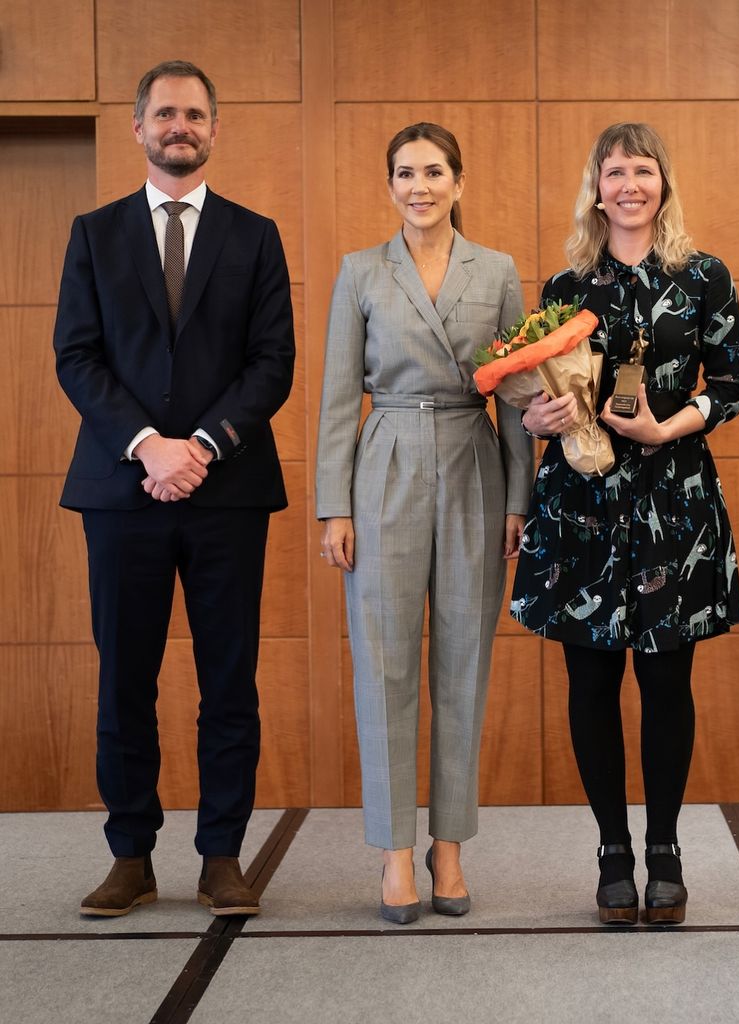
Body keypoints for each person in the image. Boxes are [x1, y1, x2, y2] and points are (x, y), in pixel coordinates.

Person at [54, 61, 295, 917]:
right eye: (165, 113)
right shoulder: (94, 232)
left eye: (195, 113)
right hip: (121, 493)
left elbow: (274, 363)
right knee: (126, 680)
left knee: (230, 681)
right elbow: (76, 356)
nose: (179, 125)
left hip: (227, 492)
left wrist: (198, 445)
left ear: (215, 129)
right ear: (139, 127)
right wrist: (148, 446)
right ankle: (131, 855)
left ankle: (222, 854)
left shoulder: (255, 235)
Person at [512, 122, 739, 926]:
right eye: (615, 173)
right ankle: (612, 848)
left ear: (663, 182)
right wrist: (537, 414)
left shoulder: (704, 276)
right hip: (580, 508)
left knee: (667, 679)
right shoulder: (564, 286)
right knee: (589, 680)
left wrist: (666, 428)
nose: (629, 186)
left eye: (643, 171)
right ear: (597, 187)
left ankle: (665, 848)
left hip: (674, 498)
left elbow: (734, 385)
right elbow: (531, 393)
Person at [316, 123, 534, 924]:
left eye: (434, 171)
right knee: (384, 663)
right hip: (386, 462)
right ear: (390, 187)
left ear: (458, 182)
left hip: (472, 456)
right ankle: (395, 854)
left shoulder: (500, 271)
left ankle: (449, 846)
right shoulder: (361, 272)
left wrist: (521, 500)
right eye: (405, 173)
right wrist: (333, 505)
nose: (420, 186)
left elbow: (516, 391)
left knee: (463, 661)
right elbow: (341, 397)